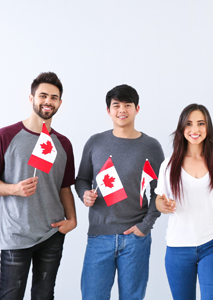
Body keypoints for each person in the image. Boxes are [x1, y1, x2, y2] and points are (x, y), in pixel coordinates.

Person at [75, 84, 164, 300]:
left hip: (136, 238)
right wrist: (85, 194)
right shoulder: (95, 142)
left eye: (127, 105)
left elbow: (161, 192)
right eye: (116, 105)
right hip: (99, 236)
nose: (122, 110)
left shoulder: (151, 146)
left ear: (137, 109)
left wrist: (145, 226)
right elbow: (82, 180)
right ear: (108, 110)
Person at [0, 72, 77, 299]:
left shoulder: (63, 144)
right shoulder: (6, 136)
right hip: (15, 235)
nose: (48, 101)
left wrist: (72, 219)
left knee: (44, 295)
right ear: (31, 98)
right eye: (43, 95)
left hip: (51, 234)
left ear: (59, 103)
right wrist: (14, 189)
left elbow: (65, 187)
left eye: (54, 98)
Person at [155, 104, 213, 300]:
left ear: (208, 128)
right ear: (182, 128)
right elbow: (159, 200)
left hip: (212, 246)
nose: (195, 130)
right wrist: (162, 205)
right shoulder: (169, 165)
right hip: (177, 248)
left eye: (201, 123)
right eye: (189, 124)